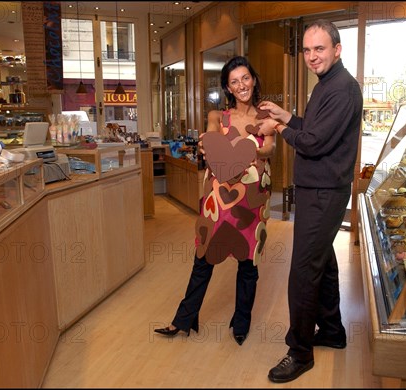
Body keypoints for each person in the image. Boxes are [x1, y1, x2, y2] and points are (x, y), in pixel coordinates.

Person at [257, 19, 363, 382]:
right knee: (324, 264)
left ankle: (299, 351)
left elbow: (314, 143)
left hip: (324, 193)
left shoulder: (343, 89)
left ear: (337, 49)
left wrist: (279, 129)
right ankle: (332, 331)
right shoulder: (326, 85)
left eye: (319, 48)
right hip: (316, 190)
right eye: (306, 49)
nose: (312, 56)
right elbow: (313, 129)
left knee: (303, 272)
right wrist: (286, 116)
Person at [154, 56, 276, 346]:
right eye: (234, 81)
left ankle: (241, 322)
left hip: (252, 198)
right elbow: (208, 141)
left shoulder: (265, 116)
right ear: (228, 88)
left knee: (248, 262)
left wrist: (244, 150)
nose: (241, 85)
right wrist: (211, 147)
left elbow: (269, 148)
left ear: (254, 80)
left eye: (245, 78)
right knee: (204, 256)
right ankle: (184, 319)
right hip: (218, 198)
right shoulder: (216, 117)